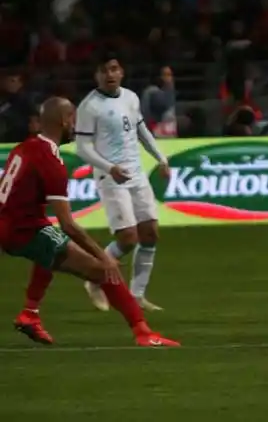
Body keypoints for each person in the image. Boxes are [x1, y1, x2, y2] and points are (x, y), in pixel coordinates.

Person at [3, 97, 178, 347]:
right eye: (73, 119)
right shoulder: (51, 161)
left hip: (10, 225)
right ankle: (143, 332)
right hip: (24, 230)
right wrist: (102, 256)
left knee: (51, 248)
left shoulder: (23, 148)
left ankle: (30, 314)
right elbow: (68, 224)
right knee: (101, 271)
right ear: (64, 120)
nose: (75, 125)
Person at [74, 54, 171, 312]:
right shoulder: (89, 106)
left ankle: (137, 295)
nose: (110, 74)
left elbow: (141, 130)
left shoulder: (130, 97)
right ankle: (93, 279)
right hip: (111, 177)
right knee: (128, 239)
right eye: (104, 70)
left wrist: (161, 158)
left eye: (114, 69)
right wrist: (109, 167)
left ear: (122, 72)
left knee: (150, 234)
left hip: (137, 174)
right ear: (96, 75)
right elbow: (82, 147)